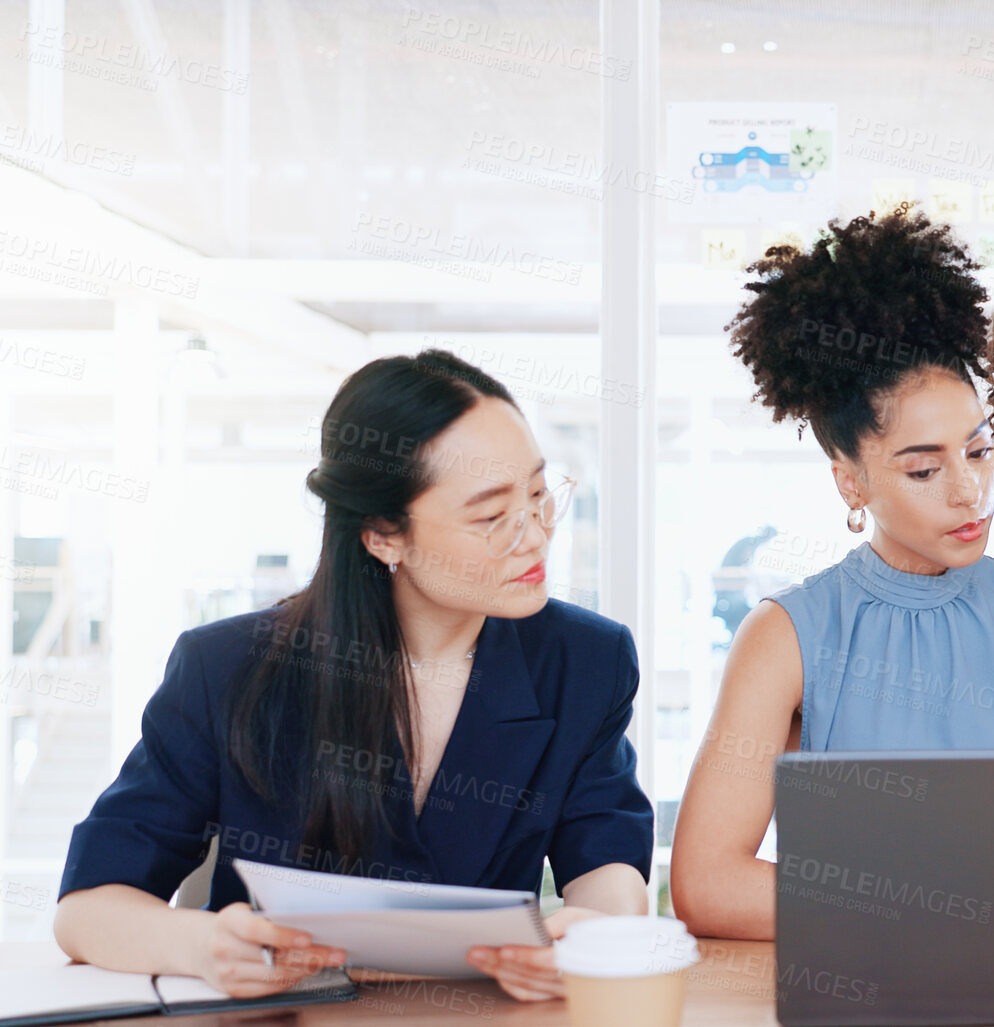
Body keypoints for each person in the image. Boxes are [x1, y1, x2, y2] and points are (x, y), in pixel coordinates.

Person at [54, 351, 654, 1001]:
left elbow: (607, 864)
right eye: (489, 516)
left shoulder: (585, 659)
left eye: (539, 495)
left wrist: (596, 936)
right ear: (382, 535)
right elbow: (87, 909)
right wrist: (202, 946)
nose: (534, 535)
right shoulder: (226, 669)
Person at [670, 206, 994, 941]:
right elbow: (708, 882)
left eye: (980, 448)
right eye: (925, 467)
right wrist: (929, 907)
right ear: (851, 482)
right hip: (859, 983)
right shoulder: (786, 636)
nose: (969, 489)